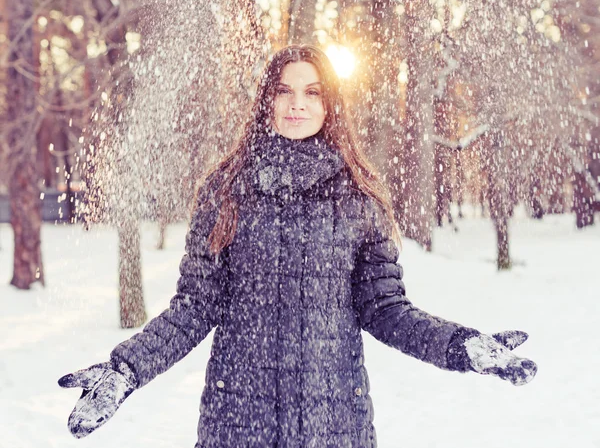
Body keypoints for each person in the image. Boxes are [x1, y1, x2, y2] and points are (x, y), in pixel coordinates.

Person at [59, 45, 537, 447]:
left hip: (333, 423)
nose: (297, 104)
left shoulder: (358, 196)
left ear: (330, 105)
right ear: (266, 99)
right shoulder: (226, 190)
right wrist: (127, 369)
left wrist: (461, 346)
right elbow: (195, 306)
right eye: (284, 90)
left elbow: (387, 310)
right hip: (237, 422)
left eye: (313, 92)